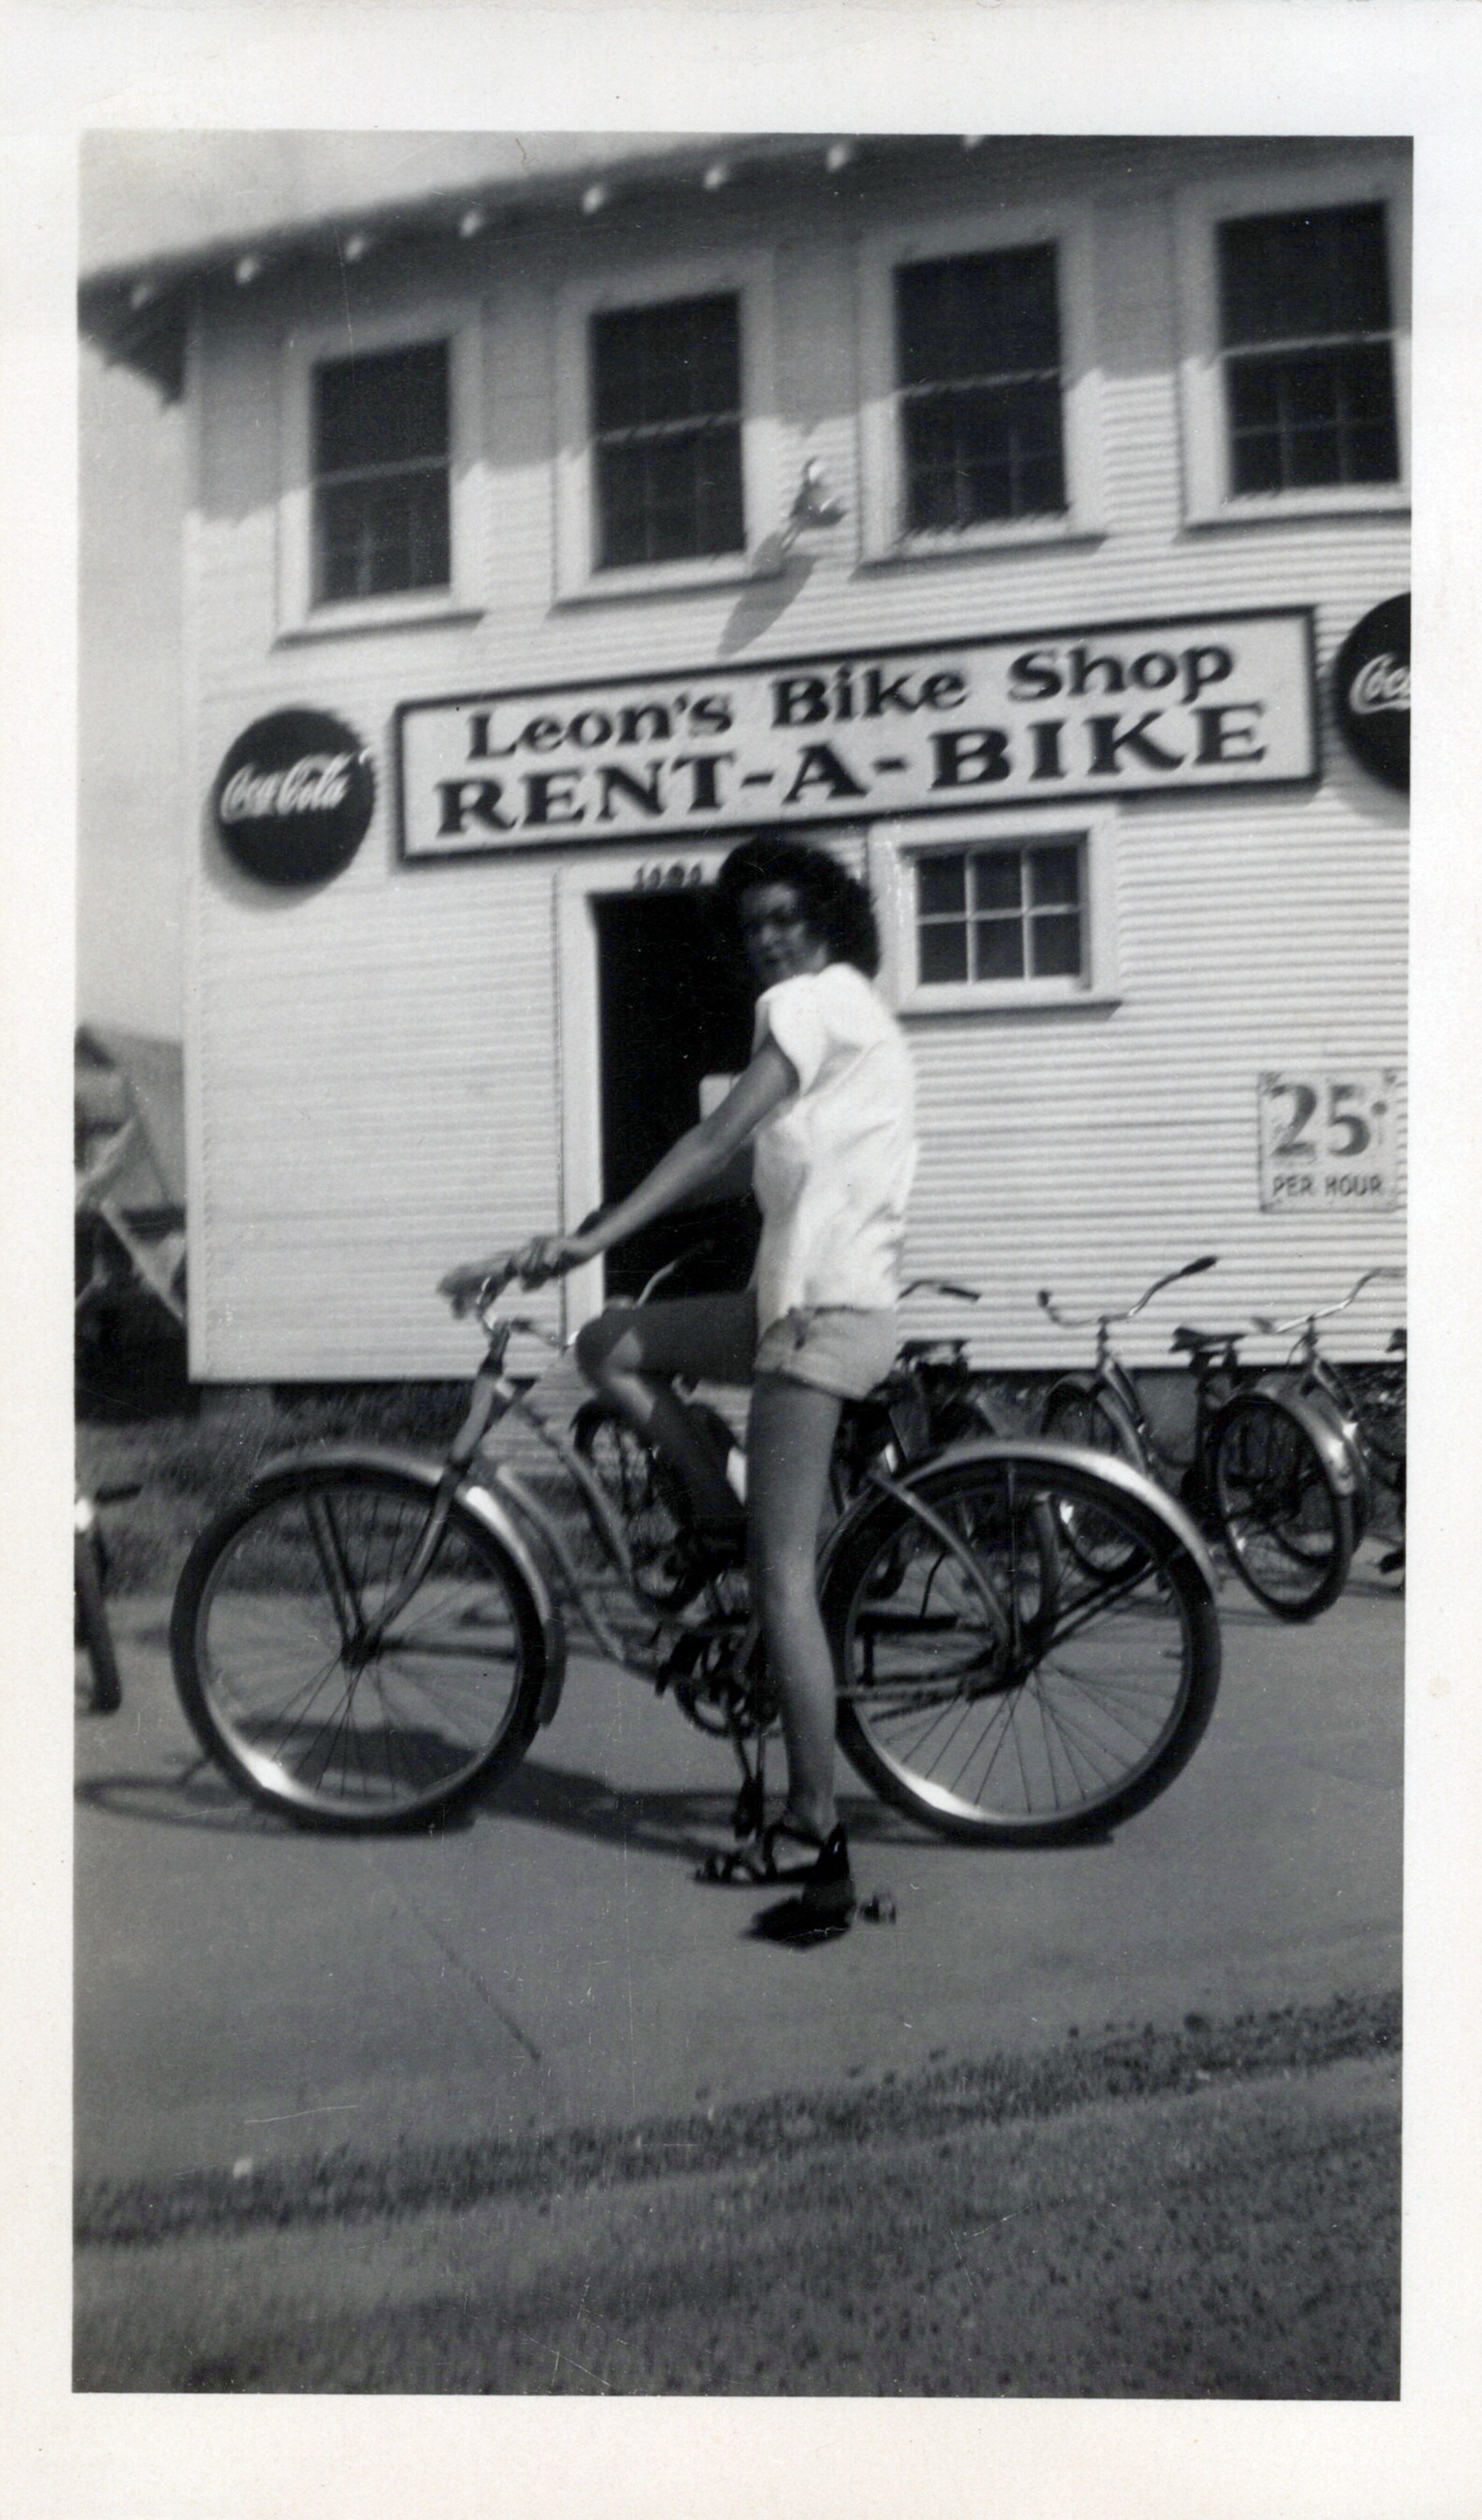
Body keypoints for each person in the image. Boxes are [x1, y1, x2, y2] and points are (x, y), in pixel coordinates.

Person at [441, 833, 917, 1939]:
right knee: (608, 1342)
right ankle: (719, 1511)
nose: (770, 940)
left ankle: (811, 1833)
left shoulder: (808, 1005)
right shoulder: (855, 1019)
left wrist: (589, 1239)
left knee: (783, 1581)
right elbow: (748, 1170)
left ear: (829, 922)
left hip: (817, 1318)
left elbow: (712, 1137)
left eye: (788, 918)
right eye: (753, 927)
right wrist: (599, 1236)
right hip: (793, 1303)